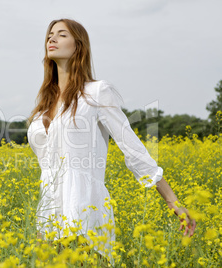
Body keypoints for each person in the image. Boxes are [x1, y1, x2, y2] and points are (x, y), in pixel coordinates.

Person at [26, 18, 196, 266]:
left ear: (79, 46)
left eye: (61, 35)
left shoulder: (96, 93)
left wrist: (173, 202)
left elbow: (132, 147)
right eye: (50, 35)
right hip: (49, 210)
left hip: (84, 205)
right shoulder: (44, 104)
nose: (51, 39)